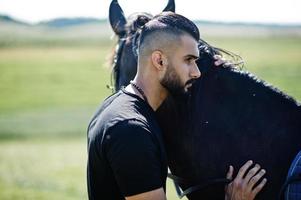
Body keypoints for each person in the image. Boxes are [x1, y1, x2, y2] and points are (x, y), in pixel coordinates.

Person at [87, 12, 267, 200]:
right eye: (188, 60)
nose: (197, 72)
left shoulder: (115, 106)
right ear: (159, 61)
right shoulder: (131, 131)